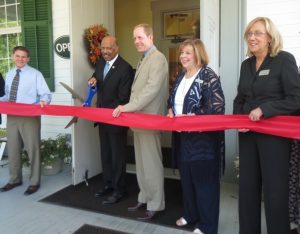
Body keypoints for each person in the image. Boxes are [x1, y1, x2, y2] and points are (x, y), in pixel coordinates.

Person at [233, 17, 300, 234]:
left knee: (274, 193)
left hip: (274, 137)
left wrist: (265, 109)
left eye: (258, 33)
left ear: (270, 37)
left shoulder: (284, 60)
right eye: (249, 33)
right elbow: (239, 99)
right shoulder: (246, 65)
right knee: (247, 190)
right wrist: (238, 121)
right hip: (248, 134)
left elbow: (296, 98)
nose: (252, 37)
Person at [168, 39, 225, 234]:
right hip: (183, 139)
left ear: (198, 54)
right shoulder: (180, 77)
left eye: (187, 53)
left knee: (205, 183)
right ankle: (191, 214)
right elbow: (172, 101)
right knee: (188, 179)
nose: (183, 56)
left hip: (203, 142)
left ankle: (208, 225)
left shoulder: (208, 76)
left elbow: (217, 108)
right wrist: (170, 110)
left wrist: (195, 117)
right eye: (182, 52)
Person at [112, 23, 168, 220]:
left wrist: (127, 107)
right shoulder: (144, 58)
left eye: (140, 37)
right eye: (134, 38)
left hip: (150, 120)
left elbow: (151, 90)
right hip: (139, 120)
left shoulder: (158, 58)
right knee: (142, 165)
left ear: (150, 37)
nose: (136, 41)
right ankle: (144, 197)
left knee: (151, 164)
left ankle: (156, 203)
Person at [0, 46, 51, 195]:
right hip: (12, 116)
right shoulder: (9, 74)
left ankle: (34, 182)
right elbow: (8, 96)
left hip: (30, 116)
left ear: (28, 59)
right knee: (14, 149)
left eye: (23, 57)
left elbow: (46, 95)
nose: (20, 59)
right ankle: (15, 179)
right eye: (17, 56)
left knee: (32, 149)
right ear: (12, 56)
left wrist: (43, 102)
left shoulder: (35, 74)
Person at [88, 35, 134, 204]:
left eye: (109, 48)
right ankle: (108, 184)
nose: (106, 51)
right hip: (102, 118)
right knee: (105, 153)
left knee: (117, 156)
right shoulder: (100, 63)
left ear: (117, 48)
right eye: (103, 48)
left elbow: (124, 98)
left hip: (116, 119)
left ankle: (119, 189)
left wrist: (106, 112)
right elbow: (97, 78)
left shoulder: (125, 68)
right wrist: (93, 81)